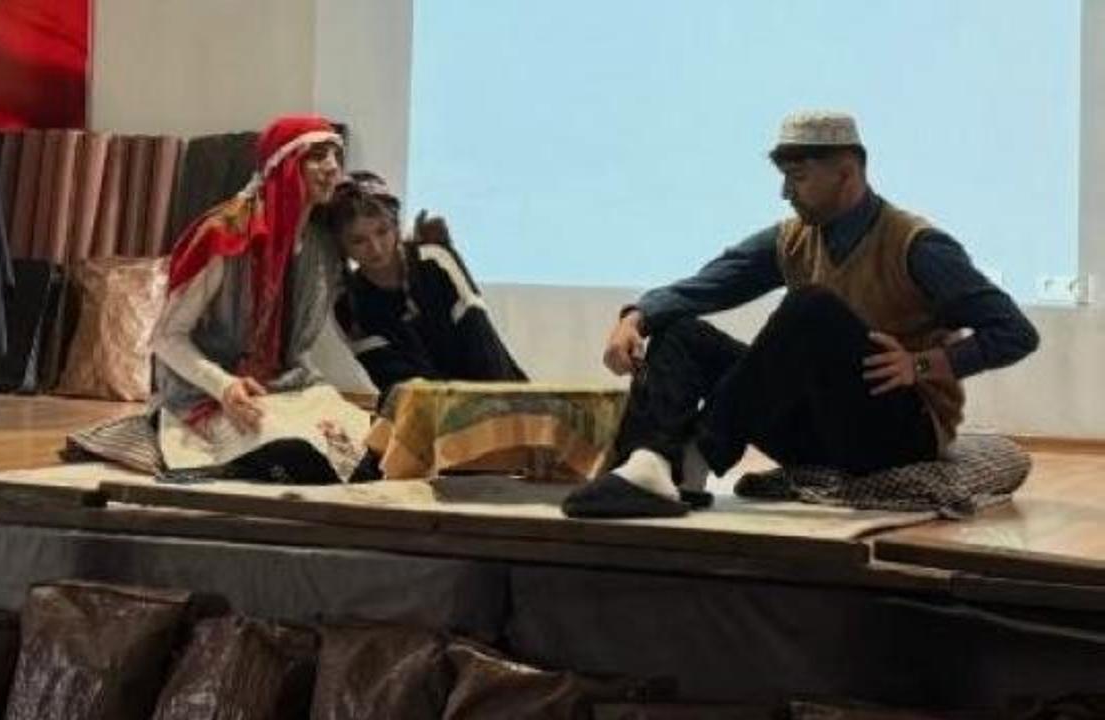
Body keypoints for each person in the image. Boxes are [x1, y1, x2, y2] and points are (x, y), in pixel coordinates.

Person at [563, 111, 1039, 518]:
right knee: (681, 330)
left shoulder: (918, 246)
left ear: (846, 173)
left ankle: (698, 454)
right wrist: (637, 318)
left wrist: (921, 364)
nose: (785, 192)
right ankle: (652, 465)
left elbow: (1015, 332)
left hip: (893, 434)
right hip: (815, 431)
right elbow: (707, 286)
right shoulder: (793, 238)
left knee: (810, 307)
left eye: (798, 177)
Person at [109, 114, 369, 483]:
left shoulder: (320, 249)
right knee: (288, 449)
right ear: (283, 165)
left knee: (359, 439)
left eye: (335, 156)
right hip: (210, 391)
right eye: (317, 156)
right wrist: (224, 386)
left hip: (287, 385)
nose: (332, 167)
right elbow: (166, 338)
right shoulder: (224, 235)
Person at [322, 171, 527, 402]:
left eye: (382, 231)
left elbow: (482, 345)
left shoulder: (434, 260)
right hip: (422, 410)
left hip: (498, 397)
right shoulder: (348, 305)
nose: (376, 248)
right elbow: (395, 379)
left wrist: (491, 408)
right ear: (341, 245)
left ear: (396, 225)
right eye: (358, 240)